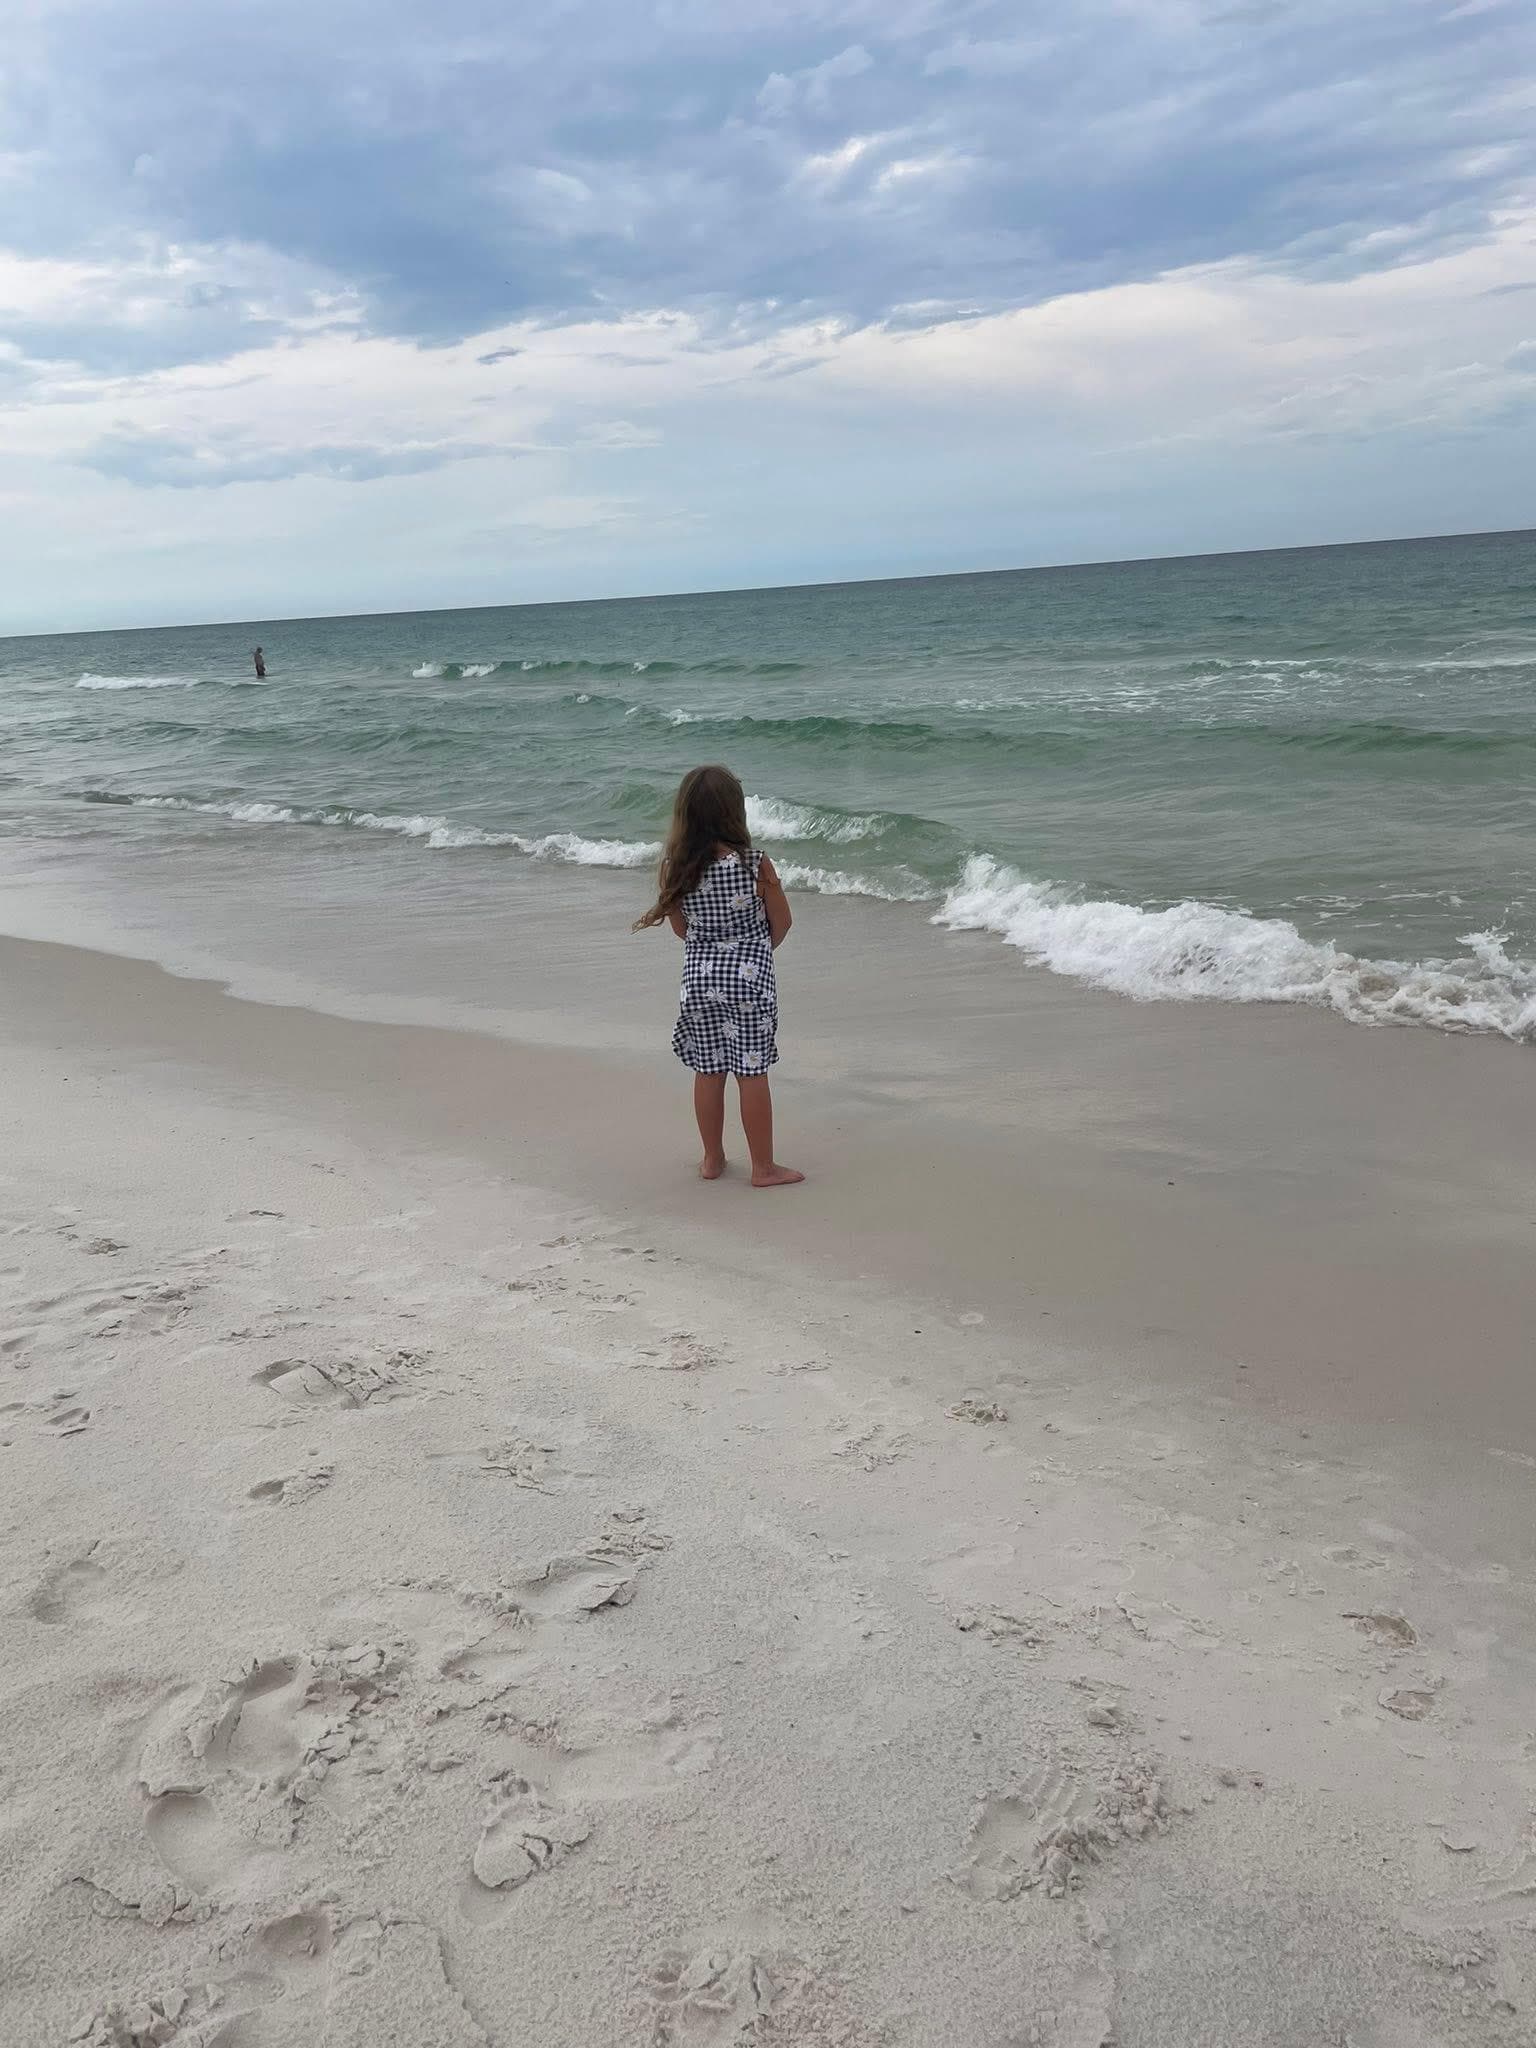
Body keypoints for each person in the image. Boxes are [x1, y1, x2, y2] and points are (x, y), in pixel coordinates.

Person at [636, 764, 803, 1188]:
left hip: (699, 981)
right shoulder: (755, 864)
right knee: (751, 1071)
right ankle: (763, 1168)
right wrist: (756, 951)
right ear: (735, 811)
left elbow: (681, 930)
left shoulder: (676, 867)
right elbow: (782, 922)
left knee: (708, 1070)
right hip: (749, 981)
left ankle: (712, 1159)